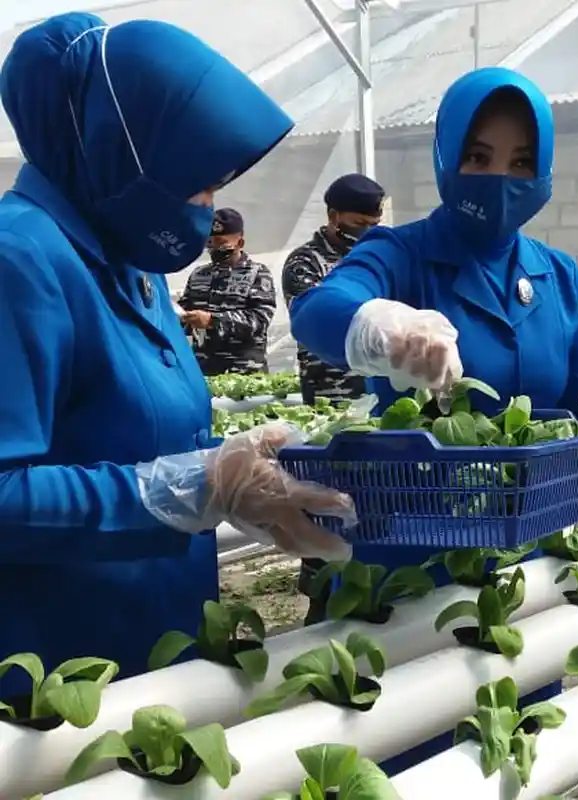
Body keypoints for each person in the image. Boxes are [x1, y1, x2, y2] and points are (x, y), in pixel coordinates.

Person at [289, 66, 578, 767]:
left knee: (507, 758)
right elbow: (317, 310)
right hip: (409, 553)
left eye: (522, 162)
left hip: (526, 567)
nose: (500, 179)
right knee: (405, 759)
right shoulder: (402, 253)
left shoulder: (558, 276)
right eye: (478, 157)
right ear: (446, 157)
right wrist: (378, 323)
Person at [0, 12, 354, 698]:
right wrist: (188, 488)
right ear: (117, 149)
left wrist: (241, 465)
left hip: (157, 646)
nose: (208, 204)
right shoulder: (21, 259)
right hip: (58, 679)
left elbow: (152, 433)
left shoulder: (129, 260)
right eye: (194, 178)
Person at [282, 173, 384, 624]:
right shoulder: (305, 263)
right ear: (332, 217)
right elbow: (320, 317)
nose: (366, 231)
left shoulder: (382, 259)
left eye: (374, 222)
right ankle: (320, 607)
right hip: (328, 407)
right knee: (323, 510)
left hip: (376, 409)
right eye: (358, 223)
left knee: (375, 510)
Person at [178, 207, 277, 376]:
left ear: (239, 243)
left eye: (222, 243)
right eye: (211, 243)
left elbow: (260, 319)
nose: (215, 249)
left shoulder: (257, 273)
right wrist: (179, 316)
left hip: (245, 373)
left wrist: (212, 321)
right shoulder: (199, 275)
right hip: (203, 370)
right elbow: (184, 313)